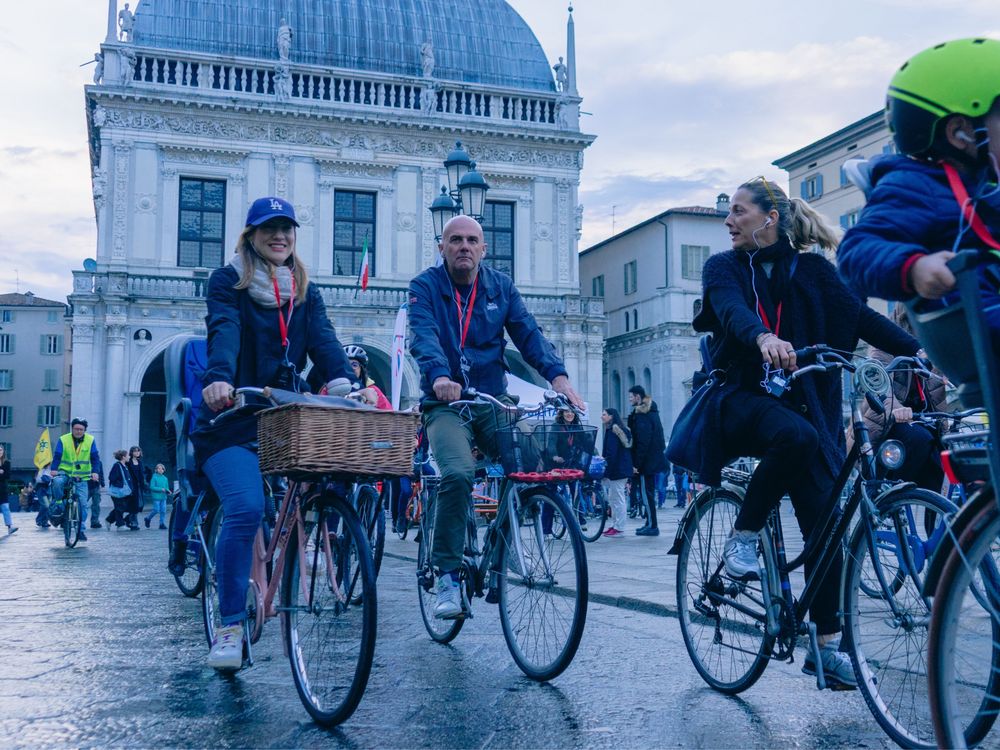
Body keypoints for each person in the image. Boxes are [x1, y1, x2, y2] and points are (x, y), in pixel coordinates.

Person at [692, 176, 921, 689]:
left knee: (828, 525)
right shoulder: (723, 267)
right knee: (793, 438)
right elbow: (731, 308)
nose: (729, 221)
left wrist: (920, 351)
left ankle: (825, 647)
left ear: (769, 219)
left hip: (804, 404)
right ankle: (743, 538)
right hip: (741, 400)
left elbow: (859, 316)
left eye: (738, 212)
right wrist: (762, 335)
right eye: (729, 212)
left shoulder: (814, 270)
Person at [190, 196, 354, 671]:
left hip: (283, 416)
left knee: (326, 472)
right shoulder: (228, 281)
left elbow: (323, 339)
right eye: (269, 229)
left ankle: (311, 549)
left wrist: (346, 382)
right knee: (246, 506)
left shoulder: (304, 287)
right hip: (233, 416)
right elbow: (224, 331)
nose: (279, 236)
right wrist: (219, 378)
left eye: (287, 228)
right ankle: (229, 625)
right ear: (251, 235)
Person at [408, 214, 584, 619]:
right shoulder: (426, 287)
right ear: (442, 247)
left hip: (492, 399)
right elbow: (423, 334)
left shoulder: (500, 287)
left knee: (530, 463)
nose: (464, 246)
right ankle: (448, 576)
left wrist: (558, 377)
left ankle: (501, 548)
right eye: (455, 240)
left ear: (484, 249)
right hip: (445, 404)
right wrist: (438, 376)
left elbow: (528, 333)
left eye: (472, 240)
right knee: (457, 473)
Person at [837, 38, 1000, 355]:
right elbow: (855, 252)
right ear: (961, 133)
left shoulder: (986, 193)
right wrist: (913, 267)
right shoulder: (915, 186)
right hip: (985, 331)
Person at [48, 419, 102, 543]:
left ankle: (81, 529)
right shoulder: (63, 439)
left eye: (81, 429)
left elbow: (95, 458)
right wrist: (54, 469)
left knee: (83, 504)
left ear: (85, 430)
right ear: (72, 429)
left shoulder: (90, 440)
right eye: (76, 429)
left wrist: (95, 472)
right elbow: (57, 456)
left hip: (82, 477)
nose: (78, 431)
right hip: (65, 473)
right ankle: (59, 502)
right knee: (57, 482)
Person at [627, 385, 667, 536]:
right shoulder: (651, 412)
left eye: (631, 397)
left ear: (638, 397)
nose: (630, 399)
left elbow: (643, 441)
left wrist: (636, 464)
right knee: (647, 493)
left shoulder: (643, 415)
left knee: (646, 493)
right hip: (652, 460)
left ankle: (652, 525)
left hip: (647, 462)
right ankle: (649, 522)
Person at [600, 408, 632, 538]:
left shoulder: (613, 431)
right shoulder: (616, 429)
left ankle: (619, 528)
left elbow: (611, 453)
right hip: (620, 468)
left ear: (611, 416)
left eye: (604, 414)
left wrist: (606, 469)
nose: (602, 416)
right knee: (614, 498)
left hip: (618, 469)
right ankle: (615, 525)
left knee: (618, 499)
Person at [343, 345, 391, 409]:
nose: (350, 368)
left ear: (361, 369)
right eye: (346, 364)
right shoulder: (330, 388)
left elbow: (388, 413)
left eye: (354, 365)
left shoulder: (374, 390)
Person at [123, 446, 146, 530]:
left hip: (138, 486)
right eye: (135, 451)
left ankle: (127, 519)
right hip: (131, 486)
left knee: (139, 505)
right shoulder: (128, 463)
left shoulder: (140, 462)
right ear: (131, 452)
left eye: (138, 451)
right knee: (133, 505)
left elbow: (141, 475)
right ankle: (134, 523)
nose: (137, 453)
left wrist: (143, 485)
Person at [107, 450, 131, 527]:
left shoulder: (125, 466)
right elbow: (112, 477)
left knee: (121, 507)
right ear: (123, 457)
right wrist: (120, 485)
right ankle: (120, 525)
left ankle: (109, 520)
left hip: (124, 491)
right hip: (118, 491)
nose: (129, 457)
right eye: (127, 455)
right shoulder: (117, 465)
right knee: (120, 508)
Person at [145, 464, 170, 529]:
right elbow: (152, 487)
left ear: (164, 470)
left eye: (162, 469)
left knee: (163, 511)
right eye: (159, 468)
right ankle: (148, 518)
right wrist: (161, 489)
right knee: (156, 510)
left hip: (163, 497)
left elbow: (166, 487)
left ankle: (161, 524)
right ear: (156, 470)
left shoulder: (165, 478)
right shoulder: (154, 477)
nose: (160, 470)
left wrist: (168, 491)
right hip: (156, 497)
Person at [0, 444, 15, 535]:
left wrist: (2, 473)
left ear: (3, 451)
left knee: (5, 508)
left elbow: (7, 476)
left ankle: (10, 527)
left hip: (2, 489)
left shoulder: (7, 463)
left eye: (1, 450)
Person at [88, 465, 104, 529]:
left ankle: (95, 522)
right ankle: (77, 520)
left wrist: (102, 483)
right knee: (81, 505)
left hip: (96, 486)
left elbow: (101, 473)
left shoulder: (98, 462)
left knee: (96, 505)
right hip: (85, 486)